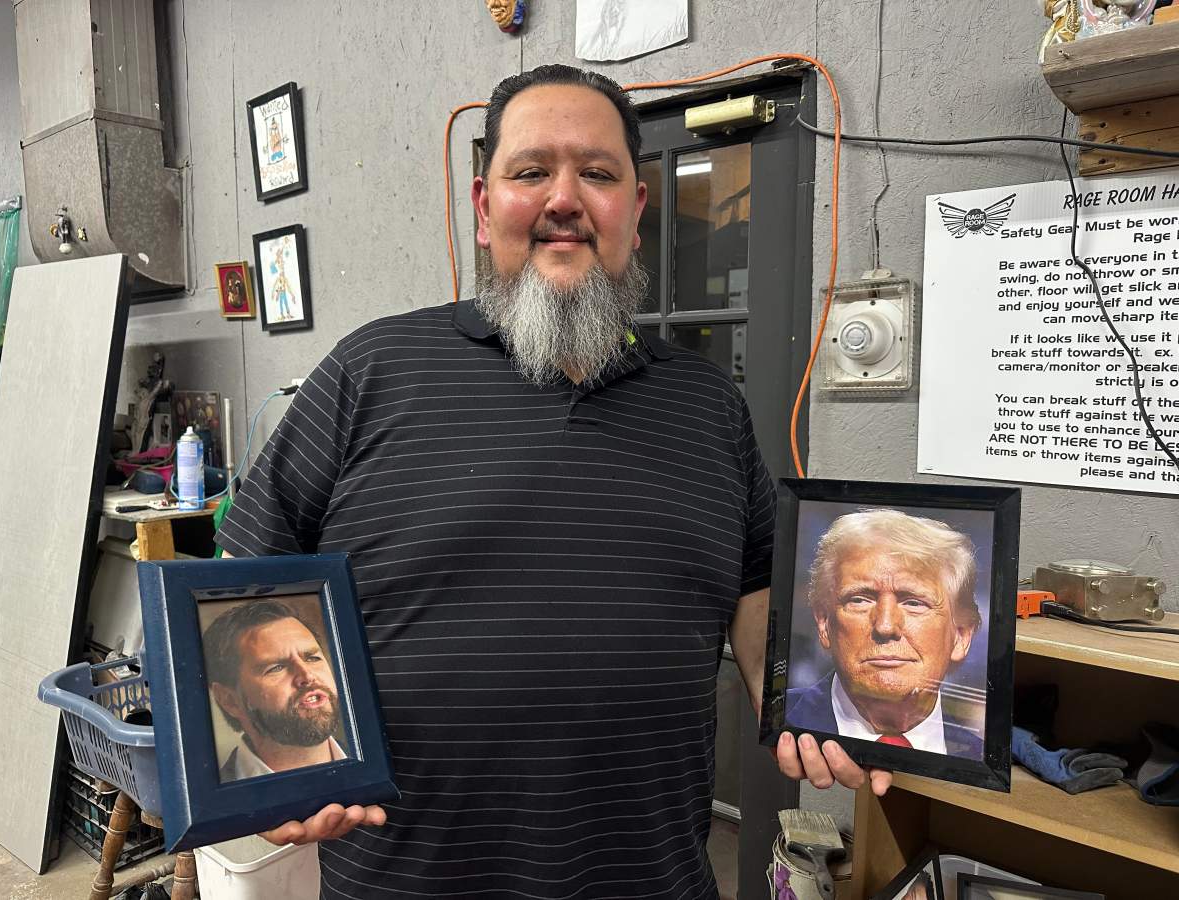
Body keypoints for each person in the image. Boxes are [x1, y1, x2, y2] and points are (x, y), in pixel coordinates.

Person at [216, 63, 885, 899]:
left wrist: (820, 706)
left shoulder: (708, 403)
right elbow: (244, 586)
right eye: (531, 171)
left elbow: (757, 592)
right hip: (408, 880)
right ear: (483, 204)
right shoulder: (371, 371)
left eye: (598, 173)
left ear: (635, 212)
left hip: (651, 878)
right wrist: (267, 773)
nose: (564, 198)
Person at [785, 509, 983, 759]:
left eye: (914, 603)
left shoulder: (980, 757)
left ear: (961, 636)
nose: (885, 626)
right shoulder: (780, 723)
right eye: (859, 600)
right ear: (824, 624)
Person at [203, 599, 347, 782]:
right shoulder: (215, 805)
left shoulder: (383, 763)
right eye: (276, 668)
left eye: (312, 658)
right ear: (229, 700)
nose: (307, 676)